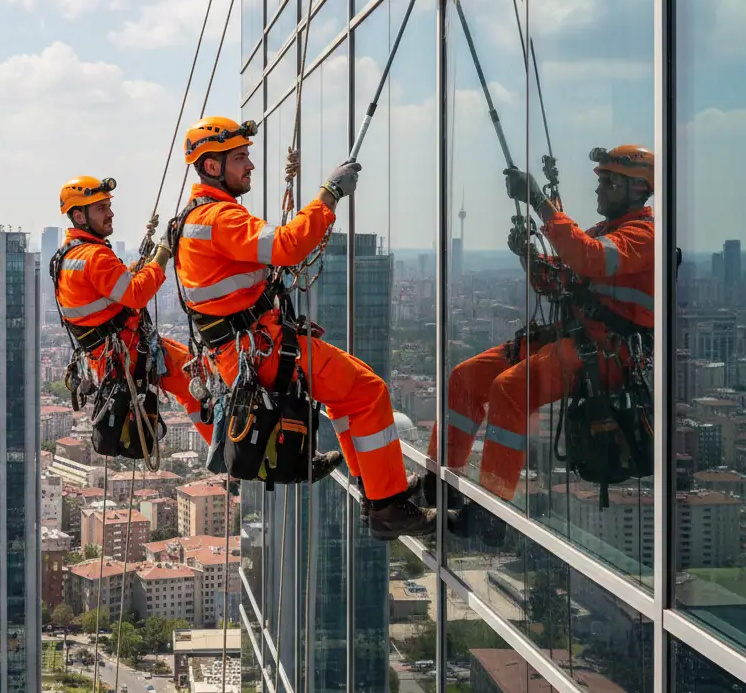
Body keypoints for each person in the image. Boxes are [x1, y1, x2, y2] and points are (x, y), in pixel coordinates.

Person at [170, 116, 437, 539]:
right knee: (368, 394)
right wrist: (329, 194)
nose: (250, 166)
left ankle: (379, 488)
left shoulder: (196, 218)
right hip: (260, 348)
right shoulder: (220, 219)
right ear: (212, 166)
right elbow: (287, 246)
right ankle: (387, 507)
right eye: (240, 158)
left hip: (251, 346)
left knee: (350, 399)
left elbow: (238, 291)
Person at [425, 146, 654, 537]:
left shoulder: (643, 235)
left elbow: (591, 259)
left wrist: (539, 202)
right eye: (599, 180)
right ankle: (436, 482)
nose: (598, 189)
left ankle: (492, 514)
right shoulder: (604, 232)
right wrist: (529, 257)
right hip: (577, 344)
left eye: (607, 181)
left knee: (510, 390)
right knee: (465, 378)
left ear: (636, 188)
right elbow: (565, 280)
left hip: (605, 356)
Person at [52, 176, 212, 445]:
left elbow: (112, 288)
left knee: (196, 372)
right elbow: (135, 295)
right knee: (199, 377)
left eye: (108, 206)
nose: (110, 213)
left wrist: (142, 265)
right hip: (125, 354)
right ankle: (220, 448)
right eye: (101, 208)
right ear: (79, 216)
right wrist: (163, 253)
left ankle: (220, 449)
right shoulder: (94, 256)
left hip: (111, 355)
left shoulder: (69, 255)